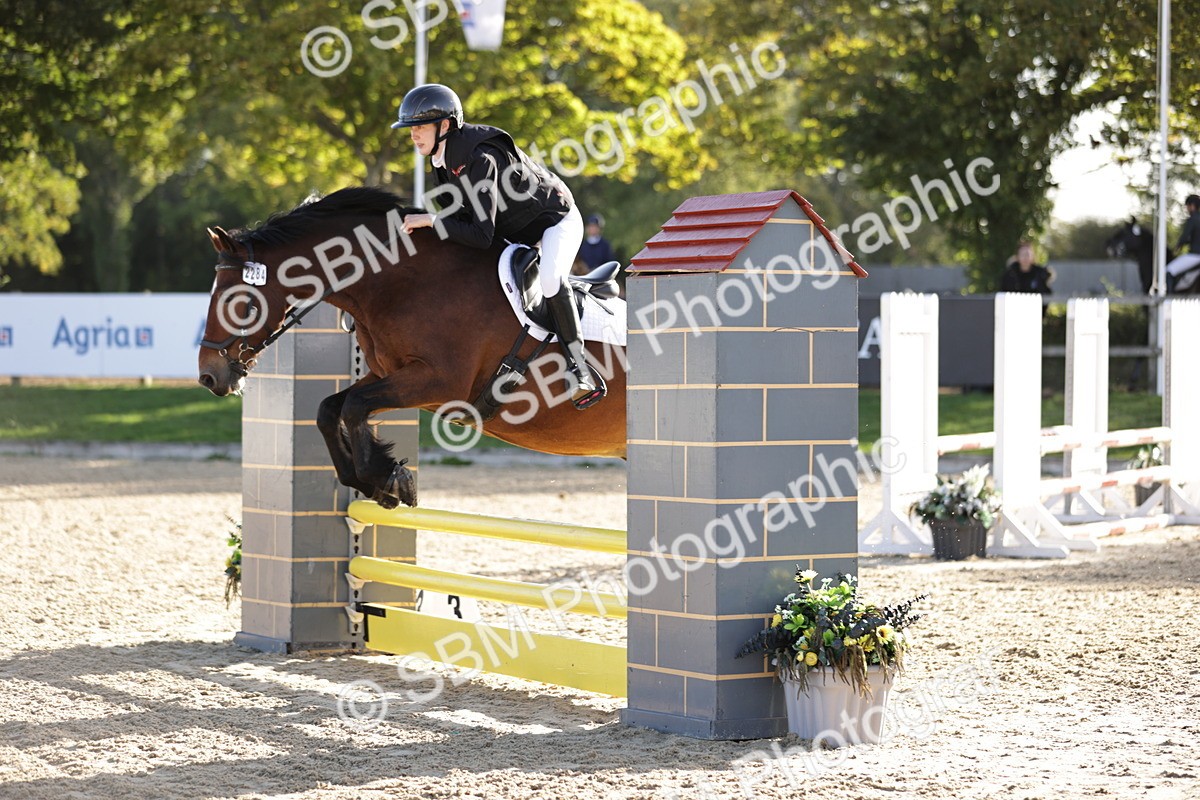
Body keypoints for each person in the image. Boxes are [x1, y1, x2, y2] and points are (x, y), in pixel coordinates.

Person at [391, 83, 602, 409]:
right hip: (515, 229)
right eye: (411, 129)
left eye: (420, 127)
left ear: (444, 125)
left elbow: (479, 235)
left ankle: (580, 369)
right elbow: (460, 220)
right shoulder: (442, 160)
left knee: (550, 280)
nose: (413, 135)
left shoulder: (480, 159)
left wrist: (431, 221)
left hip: (555, 220)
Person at [1166, 194, 1200, 292]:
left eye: (1187, 206)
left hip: (1195, 255)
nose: (1187, 209)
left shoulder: (1193, 219)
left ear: (1192, 206)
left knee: (1168, 271)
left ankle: (1169, 298)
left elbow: (1185, 237)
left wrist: (1178, 247)